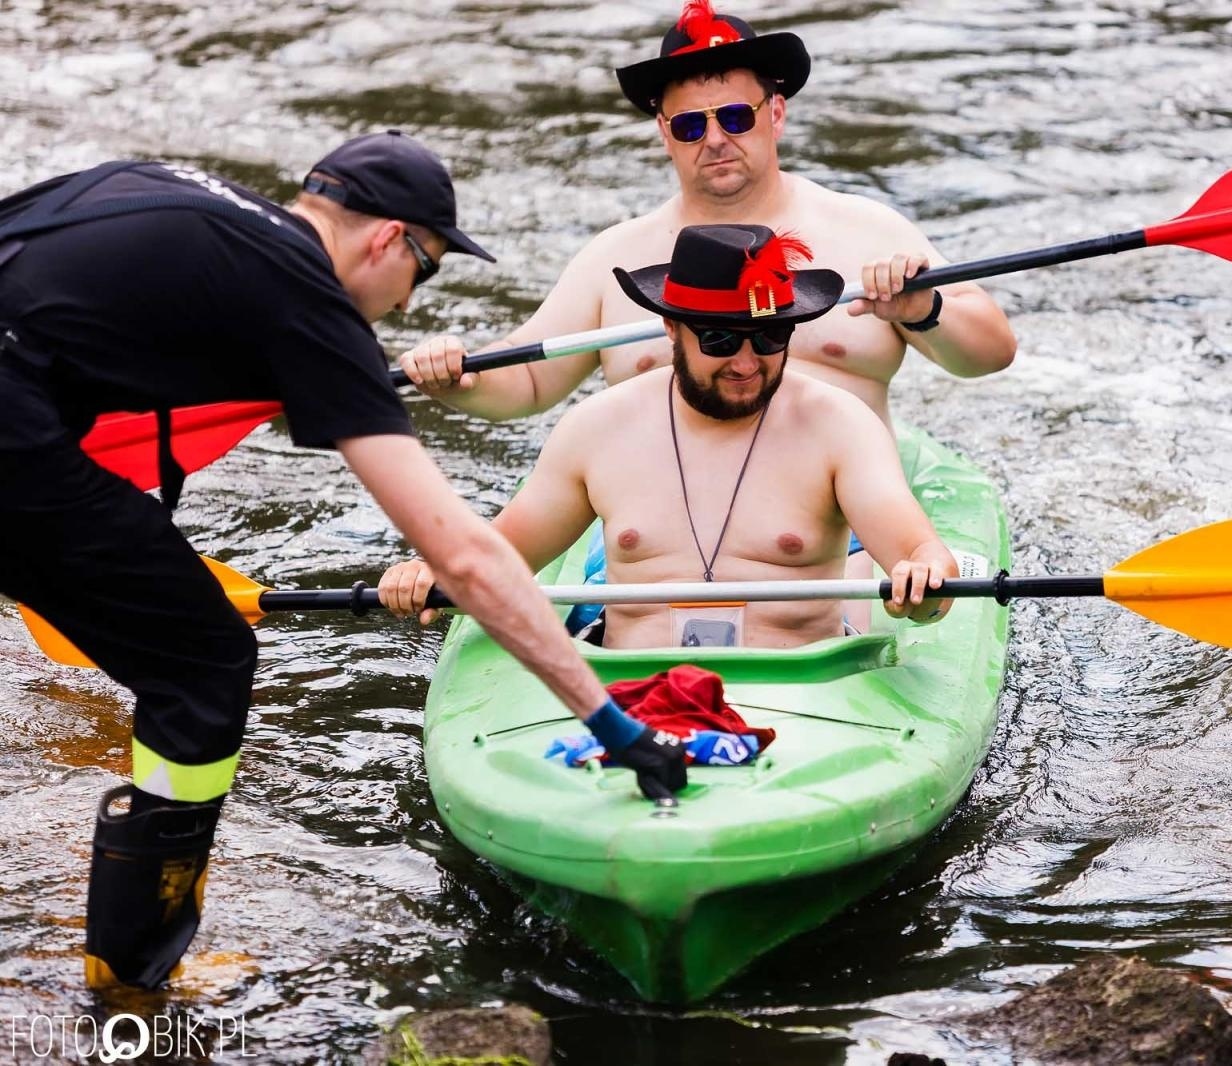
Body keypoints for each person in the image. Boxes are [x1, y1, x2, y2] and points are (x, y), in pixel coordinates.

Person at [0, 131, 684, 992]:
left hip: (27, 399)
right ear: (388, 239)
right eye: (424, 271)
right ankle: (133, 975)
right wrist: (610, 722)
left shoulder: (186, 195)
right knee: (205, 663)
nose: (404, 306)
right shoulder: (303, 292)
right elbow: (464, 556)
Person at [394, 0, 1017, 427]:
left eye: (737, 117)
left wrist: (923, 311)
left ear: (776, 115)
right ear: (665, 134)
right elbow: (529, 382)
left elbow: (990, 355)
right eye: (691, 124)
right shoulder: (616, 257)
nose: (715, 139)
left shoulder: (869, 231)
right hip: (666, 539)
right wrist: (459, 380)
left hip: (843, 540)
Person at [377, 224, 959, 648]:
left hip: (805, 679)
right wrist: (432, 571)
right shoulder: (598, 428)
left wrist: (926, 584)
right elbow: (499, 558)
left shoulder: (841, 425)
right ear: (670, 329)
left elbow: (921, 556)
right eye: (722, 341)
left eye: (770, 338)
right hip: (629, 678)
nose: (747, 363)